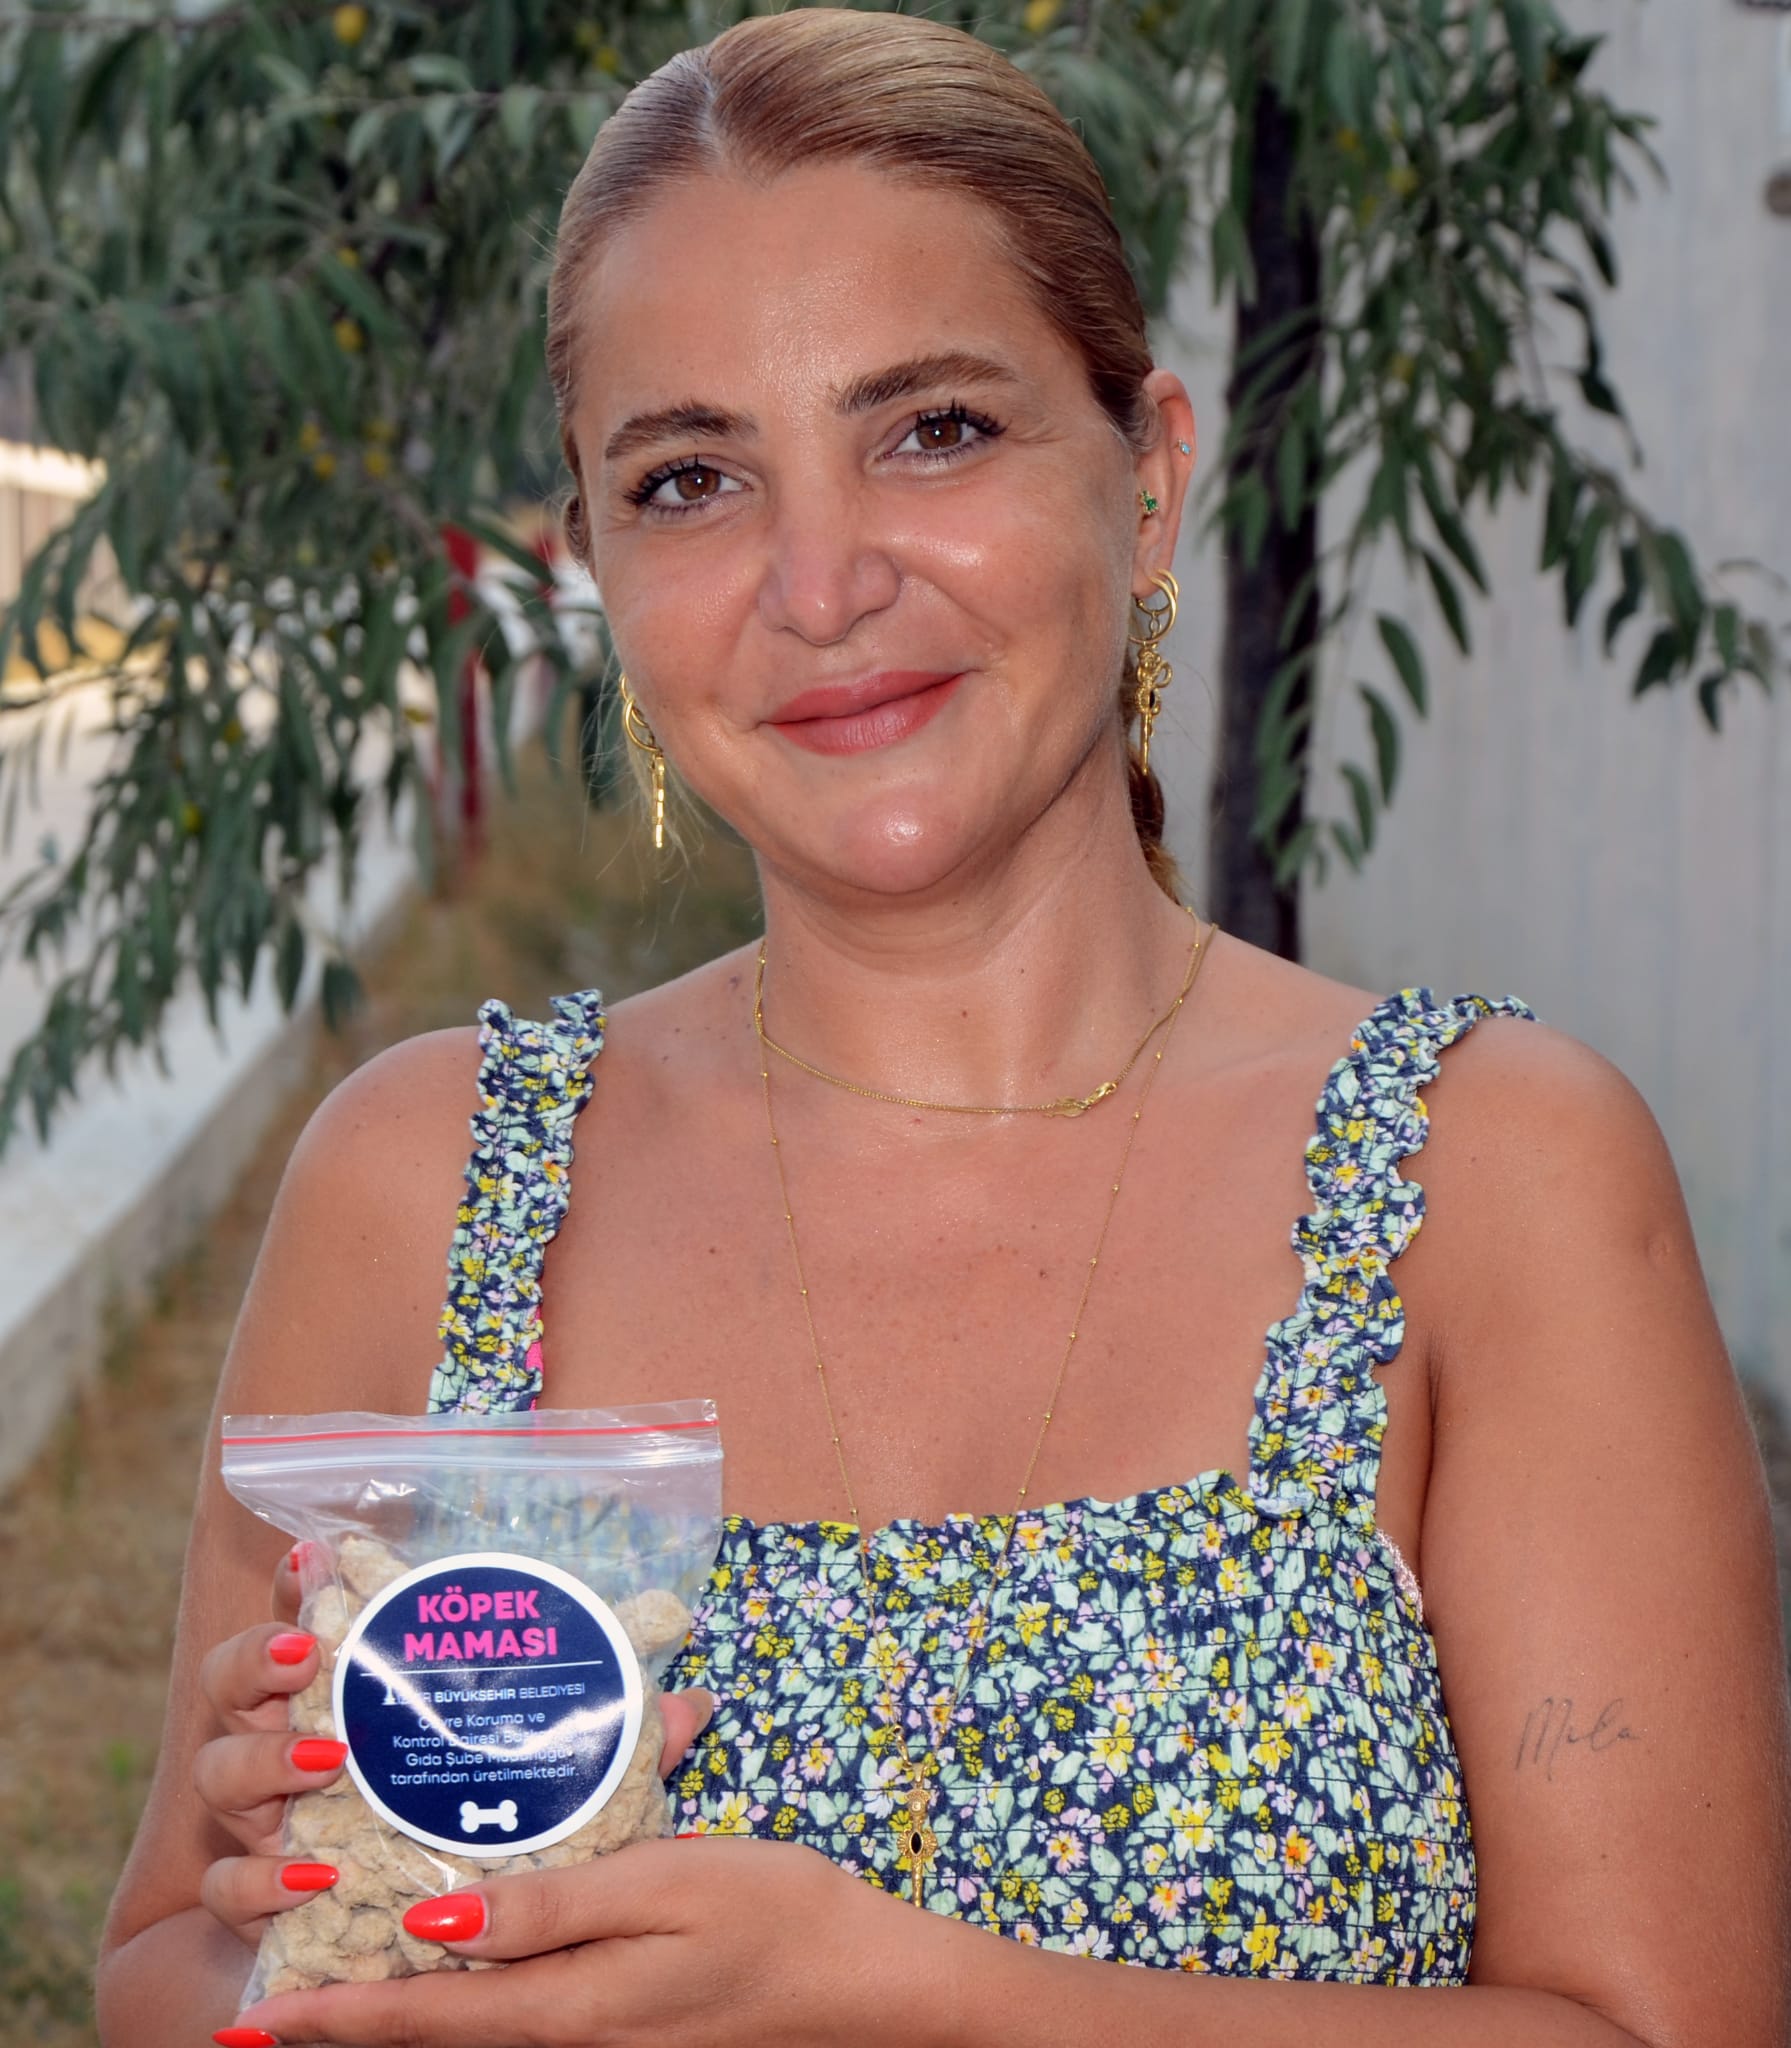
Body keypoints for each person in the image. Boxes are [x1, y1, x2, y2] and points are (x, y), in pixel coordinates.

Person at [97, 10, 1789, 2044]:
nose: (818, 584)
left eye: (933, 431)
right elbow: (167, 1970)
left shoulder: (1487, 1175)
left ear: (1146, 482)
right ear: (596, 571)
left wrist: (914, 2001)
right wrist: (319, 1932)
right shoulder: (428, 1177)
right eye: (691, 478)